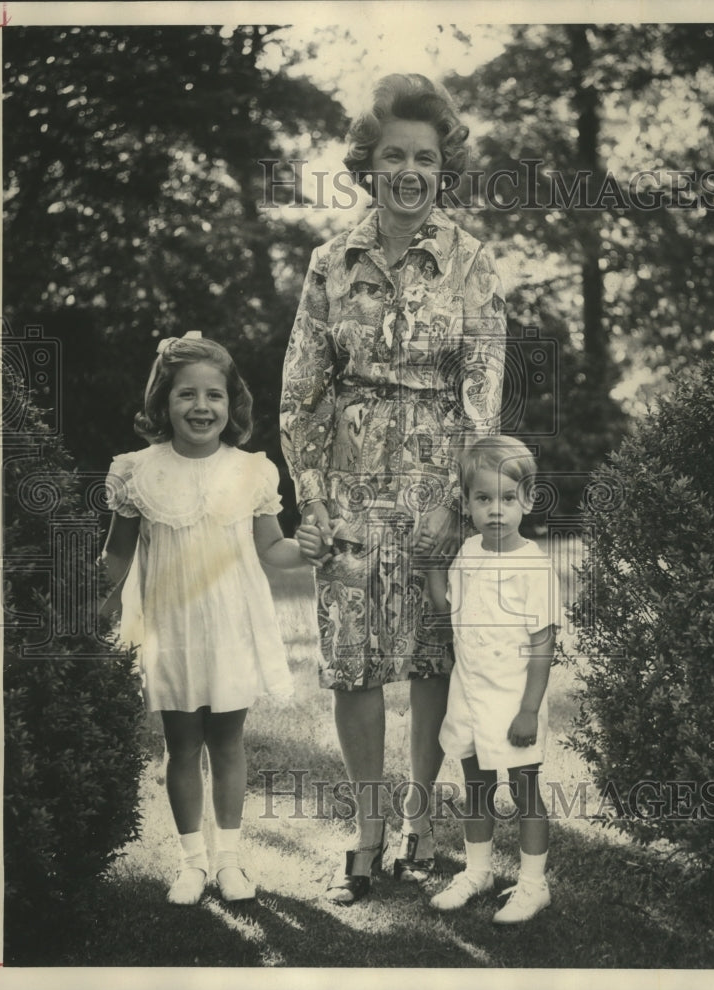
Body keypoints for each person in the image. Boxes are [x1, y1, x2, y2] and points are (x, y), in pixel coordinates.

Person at [281, 73, 507, 904]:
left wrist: (462, 496)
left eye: (425, 155)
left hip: (436, 486)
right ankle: (367, 835)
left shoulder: (473, 264)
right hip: (347, 485)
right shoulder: (328, 261)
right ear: (366, 165)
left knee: (428, 657)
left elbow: (483, 387)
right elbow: (300, 391)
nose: (409, 170)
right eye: (392, 156)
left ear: (443, 163)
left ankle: (418, 823)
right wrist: (312, 497)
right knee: (353, 667)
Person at [101, 331, 306, 906]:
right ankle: (192, 862)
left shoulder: (251, 470)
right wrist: (93, 603)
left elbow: (274, 549)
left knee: (229, 740)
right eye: (186, 394)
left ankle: (231, 861)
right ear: (162, 402)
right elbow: (118, 554)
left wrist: (311, 551)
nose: (201, 407)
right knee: (182, 743)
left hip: (231, 625)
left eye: (214, 395)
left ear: (231, 403)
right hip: (171, 626)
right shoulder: (137, 470)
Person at [425, 436, 561, 923]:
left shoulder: (534, 565)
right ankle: (478, 871)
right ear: (467, 504)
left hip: (514, 695)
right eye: (483, 499)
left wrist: (529, 709)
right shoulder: (467, 552)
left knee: (526, 790)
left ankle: (532, 884)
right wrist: (432, 569)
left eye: (507, 498)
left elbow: (543, 645)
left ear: (528, 500)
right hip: (470, 690)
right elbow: (449, 612)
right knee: (476, 785)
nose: (496, 510)